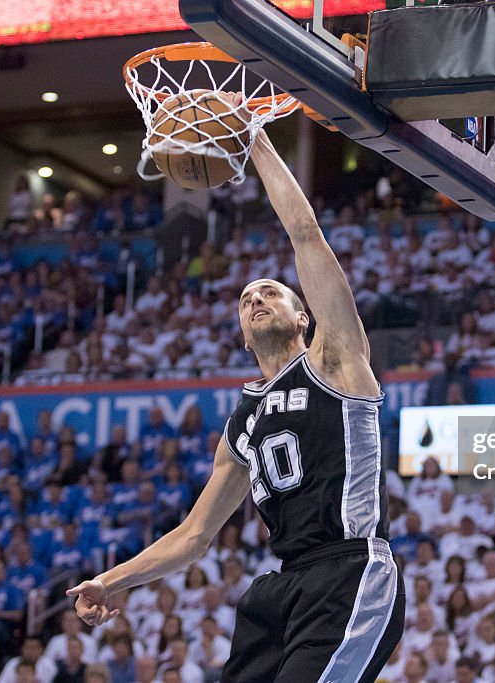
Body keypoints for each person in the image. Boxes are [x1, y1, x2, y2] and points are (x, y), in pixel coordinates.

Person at [66, 125, 404, 682]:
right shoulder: (243, 420)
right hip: (283, 585)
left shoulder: (336, 360)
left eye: (270, 292)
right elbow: (194, 537)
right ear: (244, 337)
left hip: (349, 571)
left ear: (304, 318)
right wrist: (113, 579)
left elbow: (304, 234)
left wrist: (256, 143)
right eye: (246, 299)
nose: (255, 299)